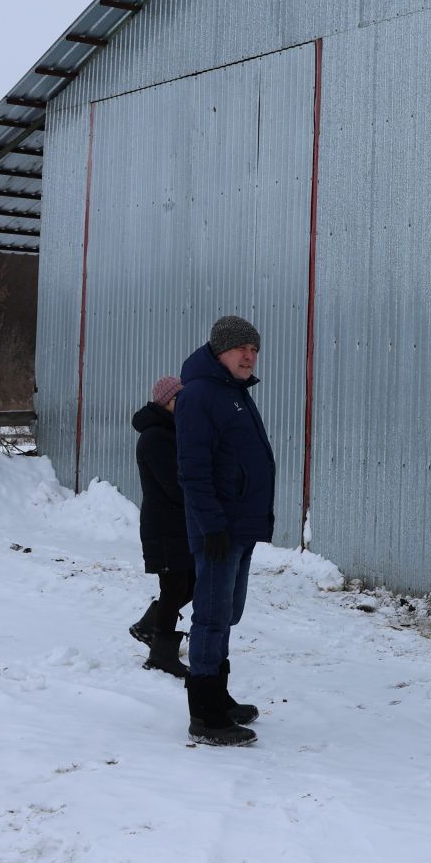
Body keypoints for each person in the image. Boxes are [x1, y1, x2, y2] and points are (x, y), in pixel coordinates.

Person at [174, 315, 273, 747]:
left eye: (253, 348)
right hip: (218, 529)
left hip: (239, 526)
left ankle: (220, 695)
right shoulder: (199, 395)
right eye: (240, 349)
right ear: (219, 352)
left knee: (227, 614)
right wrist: (211, 524)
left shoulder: (232, 392)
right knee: (211, 618)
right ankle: (205, 715)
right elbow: (193, 469)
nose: (249, 355)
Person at [128, 375, 190, 678]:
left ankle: (150, 626)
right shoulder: (155, 436)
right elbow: (173, 485)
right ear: (167, 401)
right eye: (182, 399)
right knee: (174, 585)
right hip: (164, 526)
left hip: (177, 524)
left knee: (189, 582)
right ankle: (161, 654)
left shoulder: (171, 431)